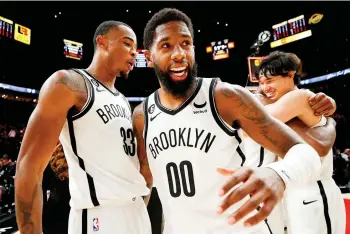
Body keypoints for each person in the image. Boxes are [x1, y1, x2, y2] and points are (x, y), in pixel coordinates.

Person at [133, 8, 323, 234]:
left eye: (185, 44)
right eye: (166, 45)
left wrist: (279, 174)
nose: (179, 54)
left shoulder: (225, 97)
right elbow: (145, 180)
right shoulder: (142, 115)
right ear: (149, 56)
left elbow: (307, 154)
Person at [15, 20, 152, 234]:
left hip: (136, 213)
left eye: (135, 48)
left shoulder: (123, 101)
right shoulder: (69, 84)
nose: (134, 53)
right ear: (102, 43)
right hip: (98, 216)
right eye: (127, 44)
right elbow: (28, 166)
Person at [256, 51, 346, 234]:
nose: (265, 88)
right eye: (262, 83)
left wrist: (256, 99)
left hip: (315, 188)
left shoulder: (301, 96)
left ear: (290, 75)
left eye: (270, 81)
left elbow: (261, 119)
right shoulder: (281, 101)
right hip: (291, 193)